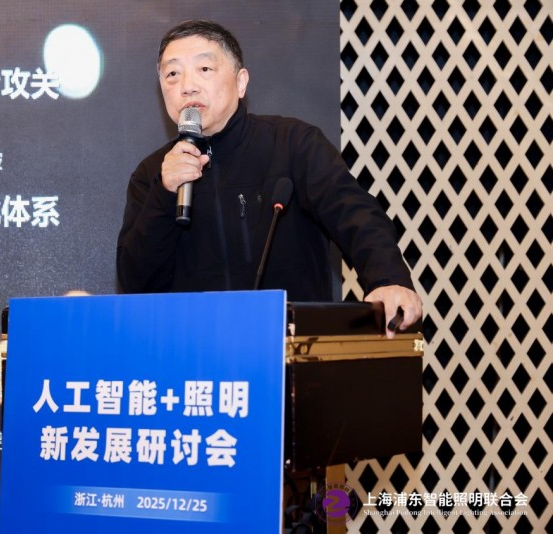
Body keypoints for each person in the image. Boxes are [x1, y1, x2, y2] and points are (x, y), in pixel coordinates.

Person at [116, 20, 422, 337]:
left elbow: (355, 214)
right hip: (194, 350)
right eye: (172, 74)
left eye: (204, 69)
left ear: (241, 82)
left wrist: (388, 280)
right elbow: (135, 283)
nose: (187, 86)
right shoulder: (152, 174)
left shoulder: (292, 144)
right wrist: (165, 193)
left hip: (291, 345)